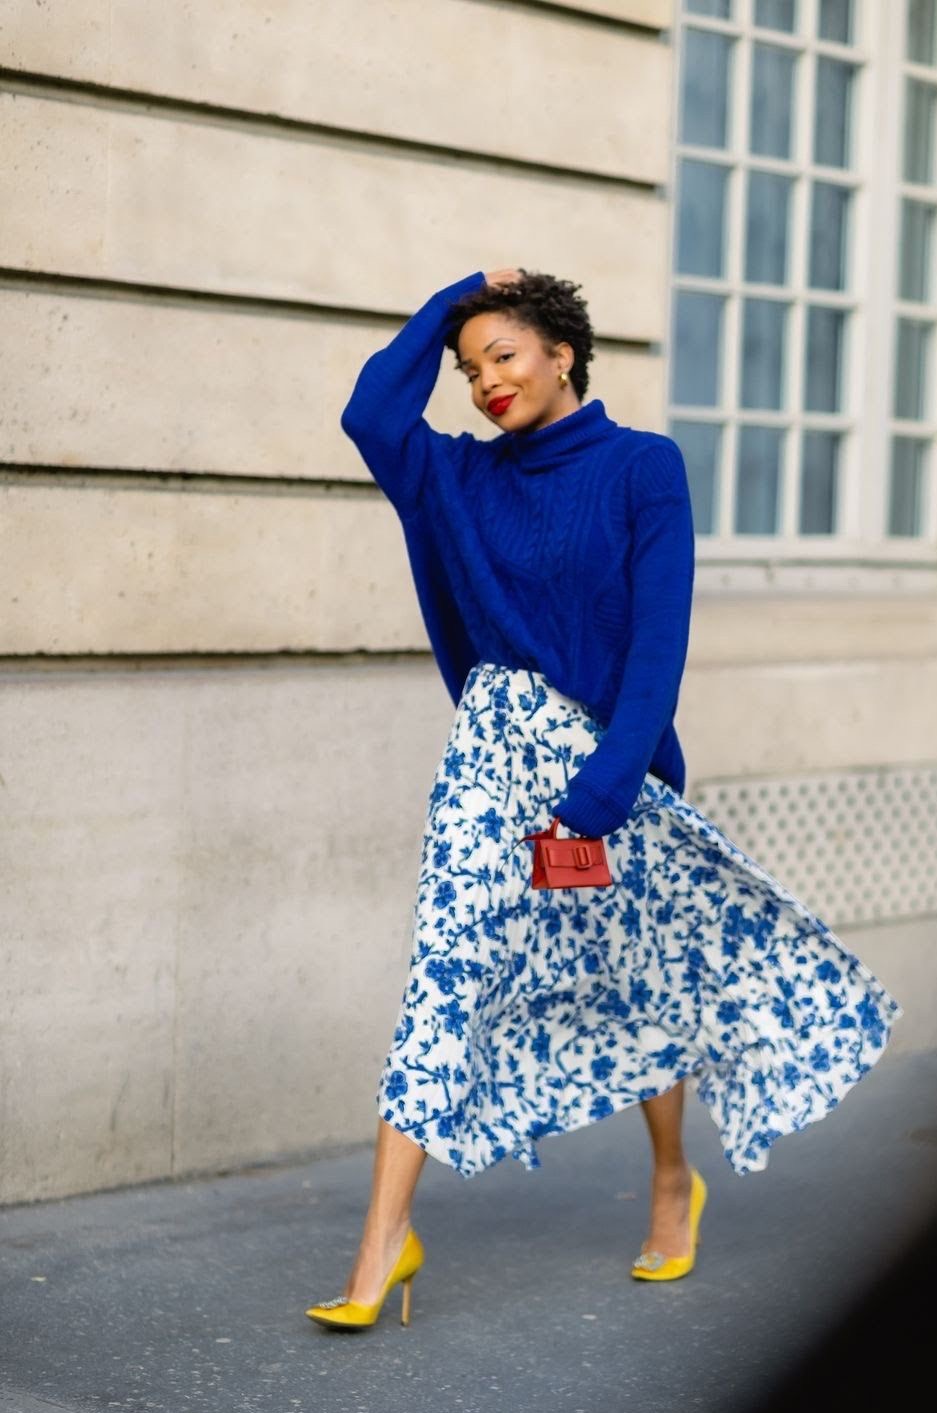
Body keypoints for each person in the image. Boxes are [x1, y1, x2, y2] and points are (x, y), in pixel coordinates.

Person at [305, 268, 903, 1332]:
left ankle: (672, 1180)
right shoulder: (450, 478)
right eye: (466, 366)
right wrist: (452, 302)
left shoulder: (641, 467)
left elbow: (656, 640)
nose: (484, 382)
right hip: (489, 766)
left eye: (503, 354)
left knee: (631, 974)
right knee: (443, 974)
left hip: (601, 773)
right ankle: (382, 1246)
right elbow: (366, 411)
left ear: (561, 353)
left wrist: (604, 789)